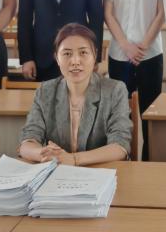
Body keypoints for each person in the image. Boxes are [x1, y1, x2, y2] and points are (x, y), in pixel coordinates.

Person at [18, 23, 130, 165]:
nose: (75, 61)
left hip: (101, 171)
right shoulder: (45, 91)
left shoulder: (115, 90)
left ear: (95, 55)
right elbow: (27, 141)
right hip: (58, 172)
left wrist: (74, 159)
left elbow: (120, 146)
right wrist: (45, 154)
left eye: (83, 53)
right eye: (67, 54)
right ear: (57, 58)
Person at [102, 0, 166, 156]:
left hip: (151, 54)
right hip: (119, 55)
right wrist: (127, 46)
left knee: (151, 113)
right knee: (120, 115)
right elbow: (108, 14)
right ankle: (122, 160)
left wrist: (142, 46)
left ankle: (149, 163)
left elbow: (162, 13)